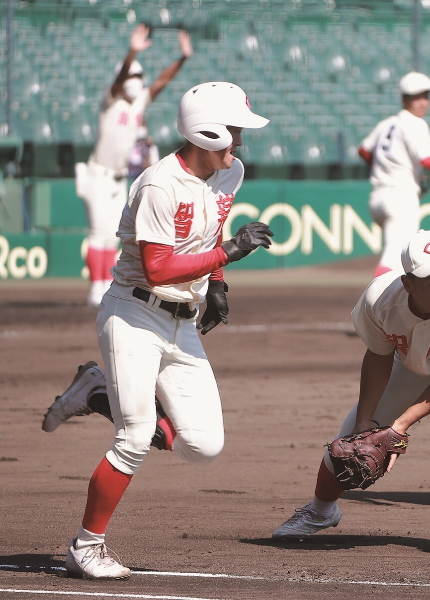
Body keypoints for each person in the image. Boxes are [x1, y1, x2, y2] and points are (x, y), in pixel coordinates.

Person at [42, 81, 273, 580]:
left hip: (182, 320)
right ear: (206, 131)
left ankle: (96, 392)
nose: (239, 140)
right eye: (234, 130)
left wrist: (217, 282)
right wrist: (230, 252)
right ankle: (86, 545)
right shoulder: (158, 185)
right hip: (135, 314)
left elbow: (206, 236)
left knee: (204, 445)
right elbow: (157, 268)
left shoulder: (229, 172)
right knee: (136, 435)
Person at [272, 229, 430, 554]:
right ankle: (320, 511)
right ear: (408, 284)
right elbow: (378, 356)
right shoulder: (379, 299)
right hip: (409, 366)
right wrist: (366, 419)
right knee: (352, 440)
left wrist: (400, 426)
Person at [76, 24, 192, 307]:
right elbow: (118, 81)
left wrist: (183, 58)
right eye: (132, 74)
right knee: (97, 233)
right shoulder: (112, 99)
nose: (135, 80)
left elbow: (161, 83)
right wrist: (131, 53)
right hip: (97, 173)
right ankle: (96, 286)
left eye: (139, 75)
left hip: (118, 177)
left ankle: (104, 284)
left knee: (112, 235)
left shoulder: (137, 104)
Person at [358, 72, 430, 278]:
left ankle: (393, 302)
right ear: (404, 99)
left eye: (425, 96)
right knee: (394, 257)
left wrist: (383, 166)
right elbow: (427, 159)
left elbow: (364, 151)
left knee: (398, 255)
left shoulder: (387, 123)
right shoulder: (415, 123)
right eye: (416, 97)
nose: (422, 102)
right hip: (400, 197)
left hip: (377, 198)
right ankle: (376, 303)